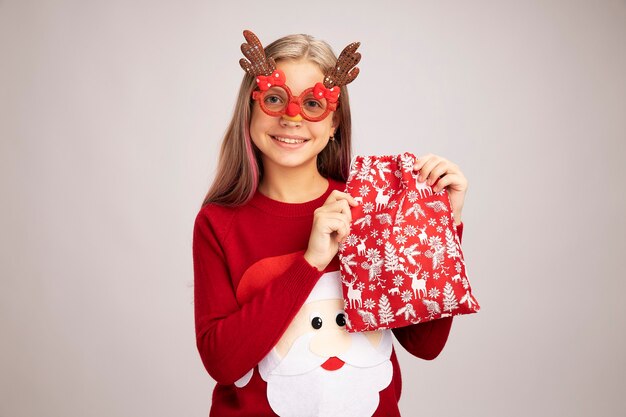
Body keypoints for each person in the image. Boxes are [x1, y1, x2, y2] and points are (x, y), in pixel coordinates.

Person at [193, 30, 469, 417]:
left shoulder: (371, 207)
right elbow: (222, 362)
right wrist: (310, 262)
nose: (291, 118)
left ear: (335, 121)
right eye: (274, 99)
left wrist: (443, 229)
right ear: (250, 111)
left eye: (313, 104)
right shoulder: (218, 222)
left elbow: (425, 344)